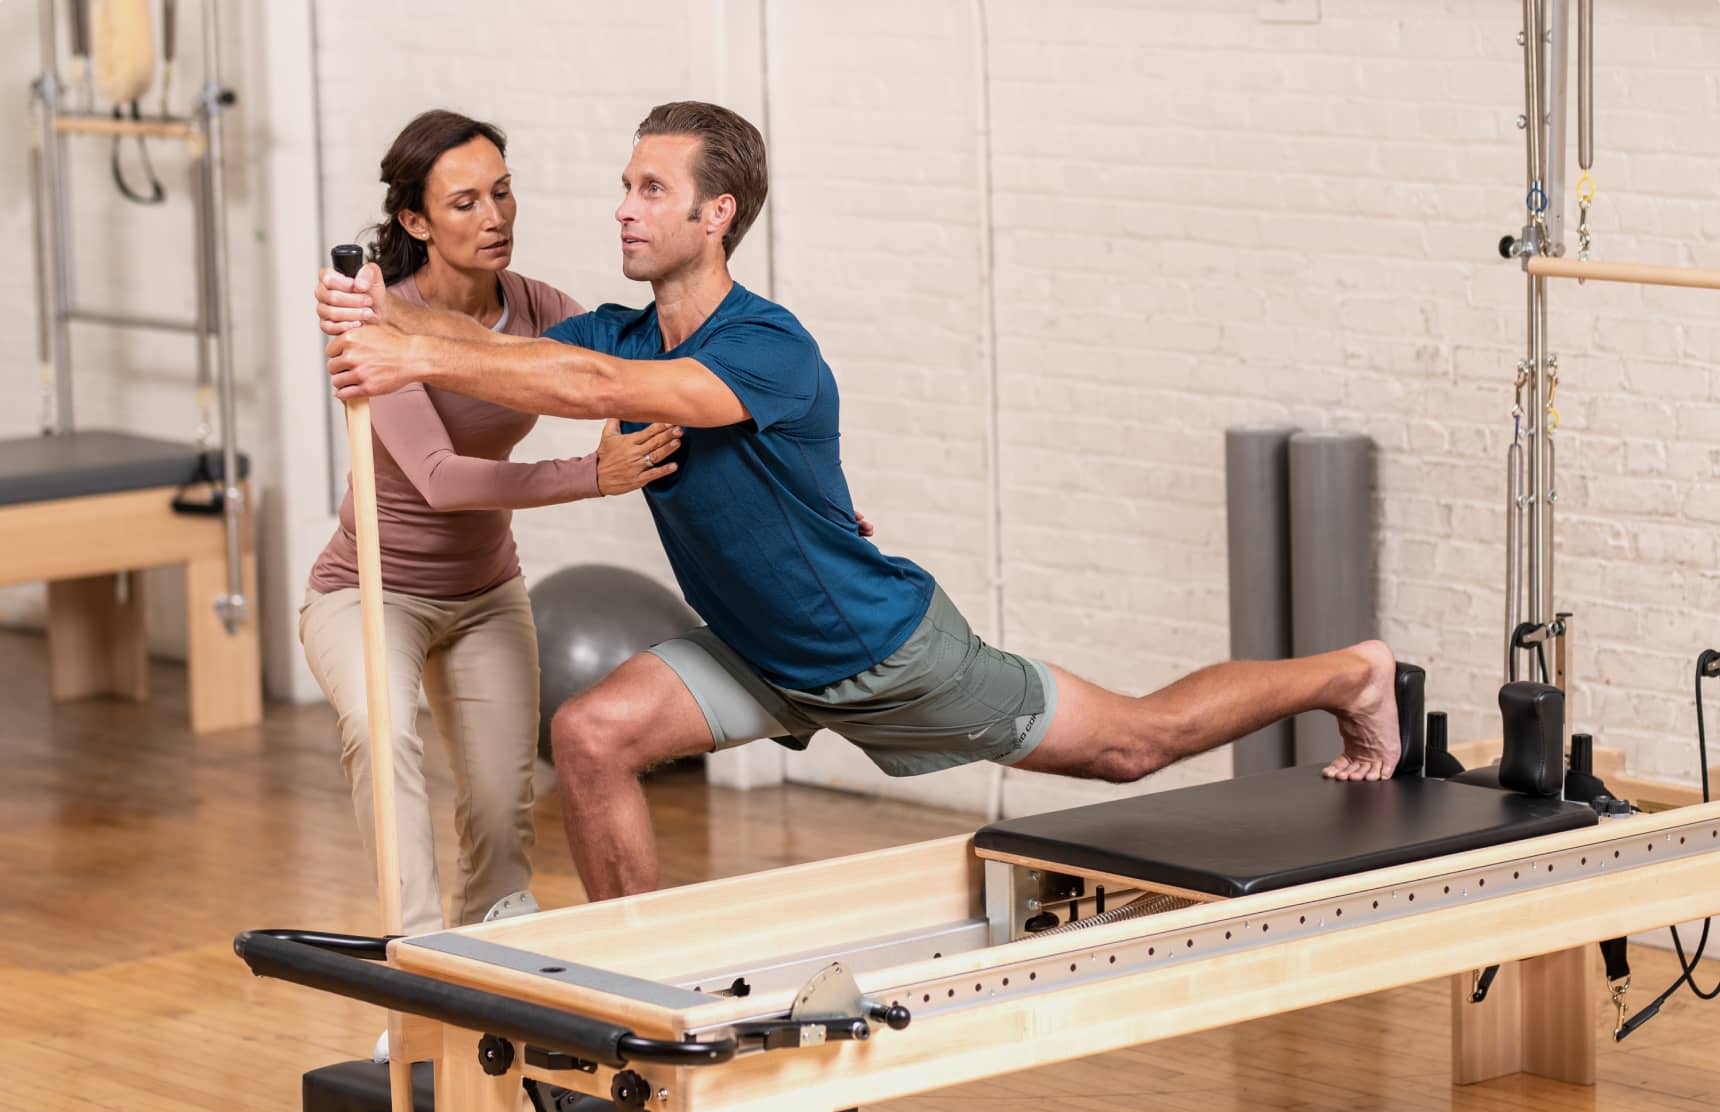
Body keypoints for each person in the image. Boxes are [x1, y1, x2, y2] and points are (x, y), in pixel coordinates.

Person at [316, 101, 1402, 906]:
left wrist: (405, 348)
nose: (622, 207)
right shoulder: (627, 326)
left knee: (1132, 744)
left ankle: (1347, 672)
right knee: (591, 733)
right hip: (751, 652)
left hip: (877, 650)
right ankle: (637, 981)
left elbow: (586, 388)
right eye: (625, 184)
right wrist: (382, 310)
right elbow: (508, 348)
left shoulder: (765, 346)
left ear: (716, 214)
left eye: (651, 189)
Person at [301, 109, 680, 936]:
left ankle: (489, 963)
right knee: (381, 734)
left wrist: (801, 500)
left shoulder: (539, 309)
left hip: (483, 593)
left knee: (503, 805)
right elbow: (441, 480)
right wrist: (592, 476)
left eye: (503, 194)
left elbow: (637, 383)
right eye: (466, 203)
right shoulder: (375, 323)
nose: (496, 218)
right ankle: (417, 957)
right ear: (415, 221)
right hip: (370, 590)